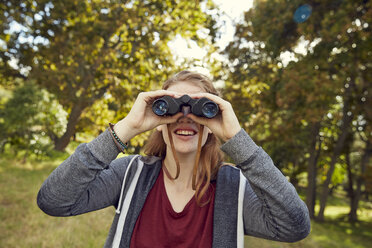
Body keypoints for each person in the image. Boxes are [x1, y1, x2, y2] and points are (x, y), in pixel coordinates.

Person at [37, 71, 310, 248]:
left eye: (201, 109)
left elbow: (294, 226)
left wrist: (237, 139)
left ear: (213, 123)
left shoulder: (234, 189)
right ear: (158, 118)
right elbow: (54, 200)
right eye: (173, 105)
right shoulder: (130, 174)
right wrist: (127, 128)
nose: (186, 115)